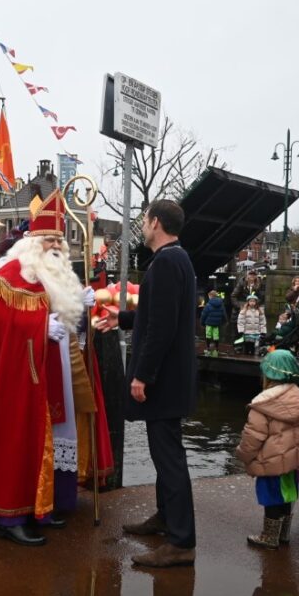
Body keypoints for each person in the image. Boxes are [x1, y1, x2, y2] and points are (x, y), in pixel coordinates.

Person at [0, 190, 85, 546]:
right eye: (49, 241)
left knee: (44, 443)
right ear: (32, 243)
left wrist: (75, 306)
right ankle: (8, 517)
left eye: (59, 241)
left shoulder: (51, 274)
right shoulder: (11, 273)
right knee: (14, 438)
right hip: (17, 375)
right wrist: (41, 328)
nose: (56, 247)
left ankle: (38, 507)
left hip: (47, 372)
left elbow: (59, 313)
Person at [96, 199, 197, 568]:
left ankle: (181, 541)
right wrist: (121, 318)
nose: (142, 224)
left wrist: (142, 375)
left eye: (144, 219)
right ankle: (166, 518)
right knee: (164, 452)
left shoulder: (167, 263)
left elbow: (162, 328)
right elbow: (157, 314)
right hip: (173, 379)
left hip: (163, 382)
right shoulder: (177, 259)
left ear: (156, 222)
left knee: (168, 457)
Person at [235, 350, 299, 549]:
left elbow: (253, 437)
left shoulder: (262, 404)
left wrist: (243, 456)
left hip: (271, 461)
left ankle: (269, 537)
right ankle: (284, 534)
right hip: (294, 460)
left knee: (271, 497)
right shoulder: (298, 395)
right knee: (287, 494)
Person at [200, 289, 226, 356]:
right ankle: (216, 349)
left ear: (210, 296)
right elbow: (223, 314)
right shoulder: (221, 304)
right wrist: (224, 321)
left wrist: (202, 322)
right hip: (217, 324)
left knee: (208, 335)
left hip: (209, 323)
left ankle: (208, 348)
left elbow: (204, 314)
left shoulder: (208, 304)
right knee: (216, 336)